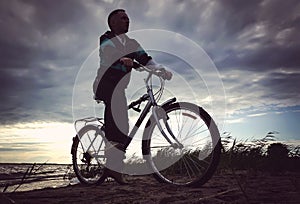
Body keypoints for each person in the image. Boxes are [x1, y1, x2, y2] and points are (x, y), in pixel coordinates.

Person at [93, 9, 172, 185]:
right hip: (105, 84)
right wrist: (124, 59)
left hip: (120, 87)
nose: (127, 21)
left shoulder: (132, 43)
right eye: (123, 18)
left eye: (128, 18)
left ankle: (114, 167)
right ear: (112, 22)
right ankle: (113, 165)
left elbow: (145, 58)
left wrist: (160, 69)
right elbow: (109, 53)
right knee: (119, 117)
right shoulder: (106, 38)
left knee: (122, 122)